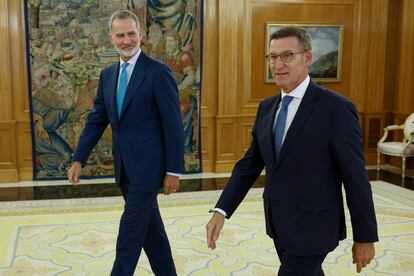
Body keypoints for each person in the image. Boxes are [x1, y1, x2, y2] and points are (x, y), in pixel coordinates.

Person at [205, 26, 378, 275]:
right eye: (273, 57)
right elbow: (249, 165)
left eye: (287, 55)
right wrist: (221, 211)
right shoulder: (266, 108)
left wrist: (365, 236)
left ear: (307, 57)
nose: (278, 64)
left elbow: (356, 178)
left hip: (315, 227)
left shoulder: (335, 109)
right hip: (278, 224)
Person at [67, 10, 184, 276]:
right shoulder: (108, 75)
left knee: (129, 237)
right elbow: (97, 120)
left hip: (149, 170)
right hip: (124, 168)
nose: (127, 40)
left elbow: (173, 125)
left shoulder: (158, 72)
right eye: (120, 35)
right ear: (111, 38)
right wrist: (78, 158)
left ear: (140, 34)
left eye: (132, 33)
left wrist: (173, 170)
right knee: (152, 233)